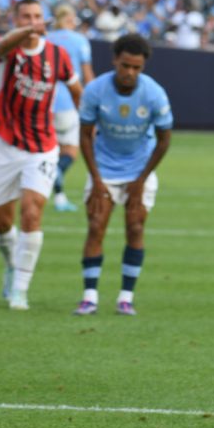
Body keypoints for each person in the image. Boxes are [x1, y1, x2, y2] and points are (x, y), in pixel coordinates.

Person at [0, 0, 82, 310]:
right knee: (2, 222)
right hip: (6, 144)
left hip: (43, 146)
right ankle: (11, 263)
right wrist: (27, 31)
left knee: (32, 211)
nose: (32, 21)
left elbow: (76, 90)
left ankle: (20, 290)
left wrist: (89, 122)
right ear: (16, 20)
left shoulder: (57, 54)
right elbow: (2, 46)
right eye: (26, 17)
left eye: (37, 16)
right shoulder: (6, 48)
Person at [73, 34, 173, 316]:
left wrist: (141, 180)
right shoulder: (95, 90)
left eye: (136, 68)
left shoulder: (154, 93)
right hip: (103, 168)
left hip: (139, 169)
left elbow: (164, 140)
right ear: (115, 60)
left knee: (136, 228)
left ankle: (125, 298)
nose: (130, 72)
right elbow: (85, 135)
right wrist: (96, 179)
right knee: (96, 226)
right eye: (125, 65)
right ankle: (89, 297)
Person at [46, 4, 95, 212]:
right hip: (68, 101)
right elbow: (87, 75)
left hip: (44, 102)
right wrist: (93, 102)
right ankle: (52, 176)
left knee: (49, 151)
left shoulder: (46, 39)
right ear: (70, 18)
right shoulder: (79, 40)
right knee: (70, 152)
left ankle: (59, 198)